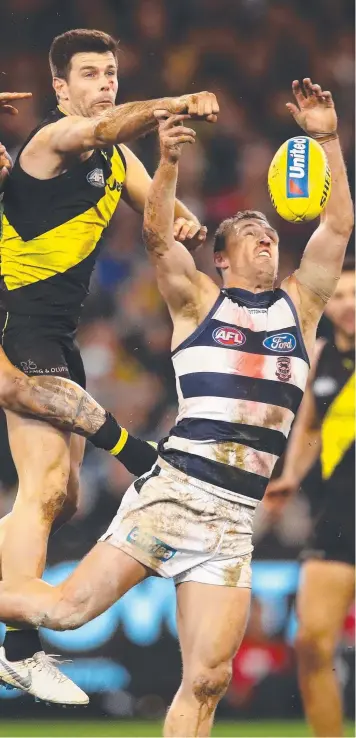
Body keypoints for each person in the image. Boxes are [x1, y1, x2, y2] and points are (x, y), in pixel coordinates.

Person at [0, 76, 352, 736]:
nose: (266, 235)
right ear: (219, 259)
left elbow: (338, 225)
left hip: (232, 520)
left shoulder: (298, 309)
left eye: (270, 230)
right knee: (69, 612)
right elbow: (159, 238)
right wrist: (165, 163)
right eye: (249, 230)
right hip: (174, 494)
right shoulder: (198, 307)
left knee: (210, 679)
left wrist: (326, 139)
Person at [0, 28, 217, 704]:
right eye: (89, 74)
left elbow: (162, 214)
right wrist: (171, 103)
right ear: (61, 89)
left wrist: (180, 218)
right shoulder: (48, 143)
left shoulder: (118, 158)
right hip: (19, 328)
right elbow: (114, 124)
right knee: (43, 488)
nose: (105, 84)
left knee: (60, 499)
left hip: (60, 334)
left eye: (111, 72)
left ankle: (15, 643)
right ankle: (19, 646)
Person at [264, 261, 355, 738]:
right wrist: (291, 476)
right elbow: (310, 428)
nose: (348, 305)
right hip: (337, 517)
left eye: (355, 295)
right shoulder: (321, 356)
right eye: (339, 296)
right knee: (313, 645)